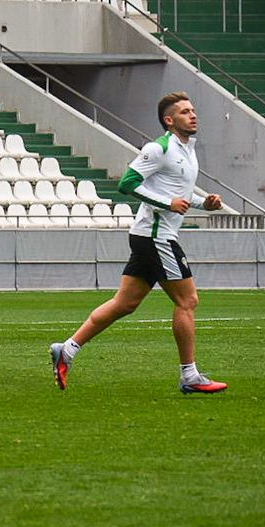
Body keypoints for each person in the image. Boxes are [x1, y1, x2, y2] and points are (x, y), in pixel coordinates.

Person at [51, 91, 227, 394]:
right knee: (188, 301)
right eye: (185, 112)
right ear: (169, 121)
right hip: (157, 236)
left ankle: (66, 350)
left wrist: (204, 204)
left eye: (193, 110)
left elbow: (179, 192)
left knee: (125, 303)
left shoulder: (187, 150)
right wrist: (168, 204)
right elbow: (127, 184)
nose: (193, 115)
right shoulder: (158, 148)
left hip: (149, 236)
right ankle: (190, 376)